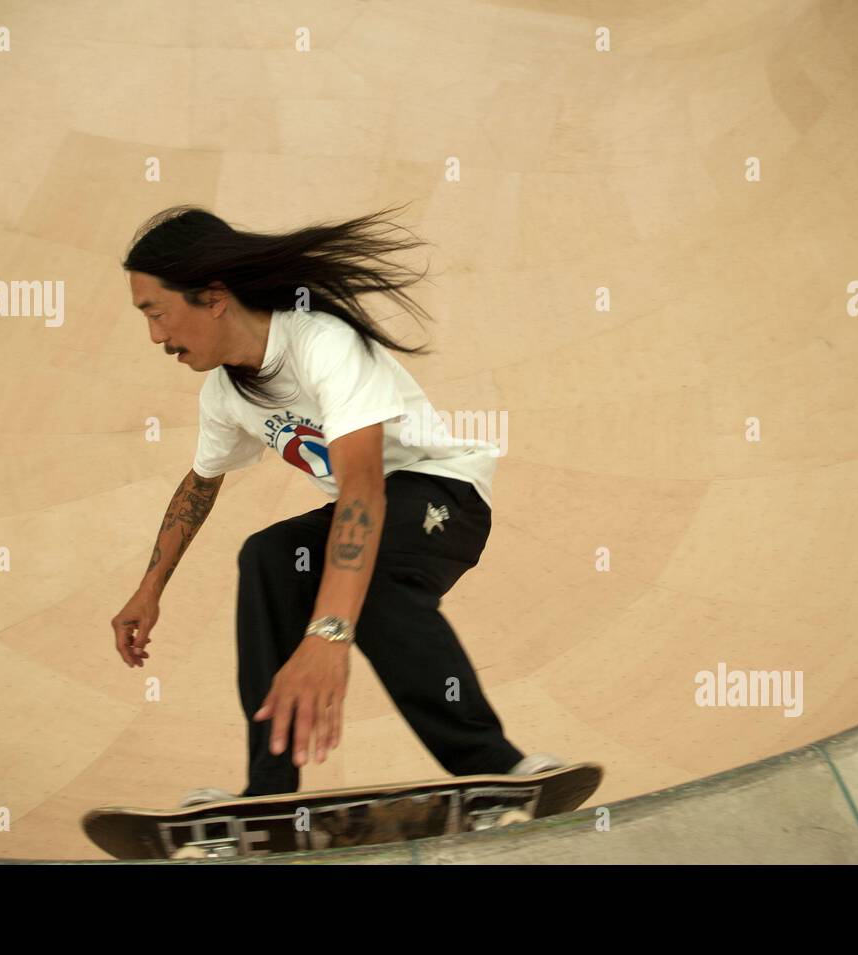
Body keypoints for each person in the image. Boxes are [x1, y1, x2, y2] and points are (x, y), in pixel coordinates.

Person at [109, 205, 562, 799]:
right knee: (268, 556)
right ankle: (268, 795)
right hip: (371, 506)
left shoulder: (322, 342)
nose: (156, 337)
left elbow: (363, 490)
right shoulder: (224, 392)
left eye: (157, 313)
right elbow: (201, 482)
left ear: (213, 296)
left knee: (363, 581)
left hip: (442, 493)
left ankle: (495, 769)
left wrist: (327, 634)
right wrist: (150, 588)